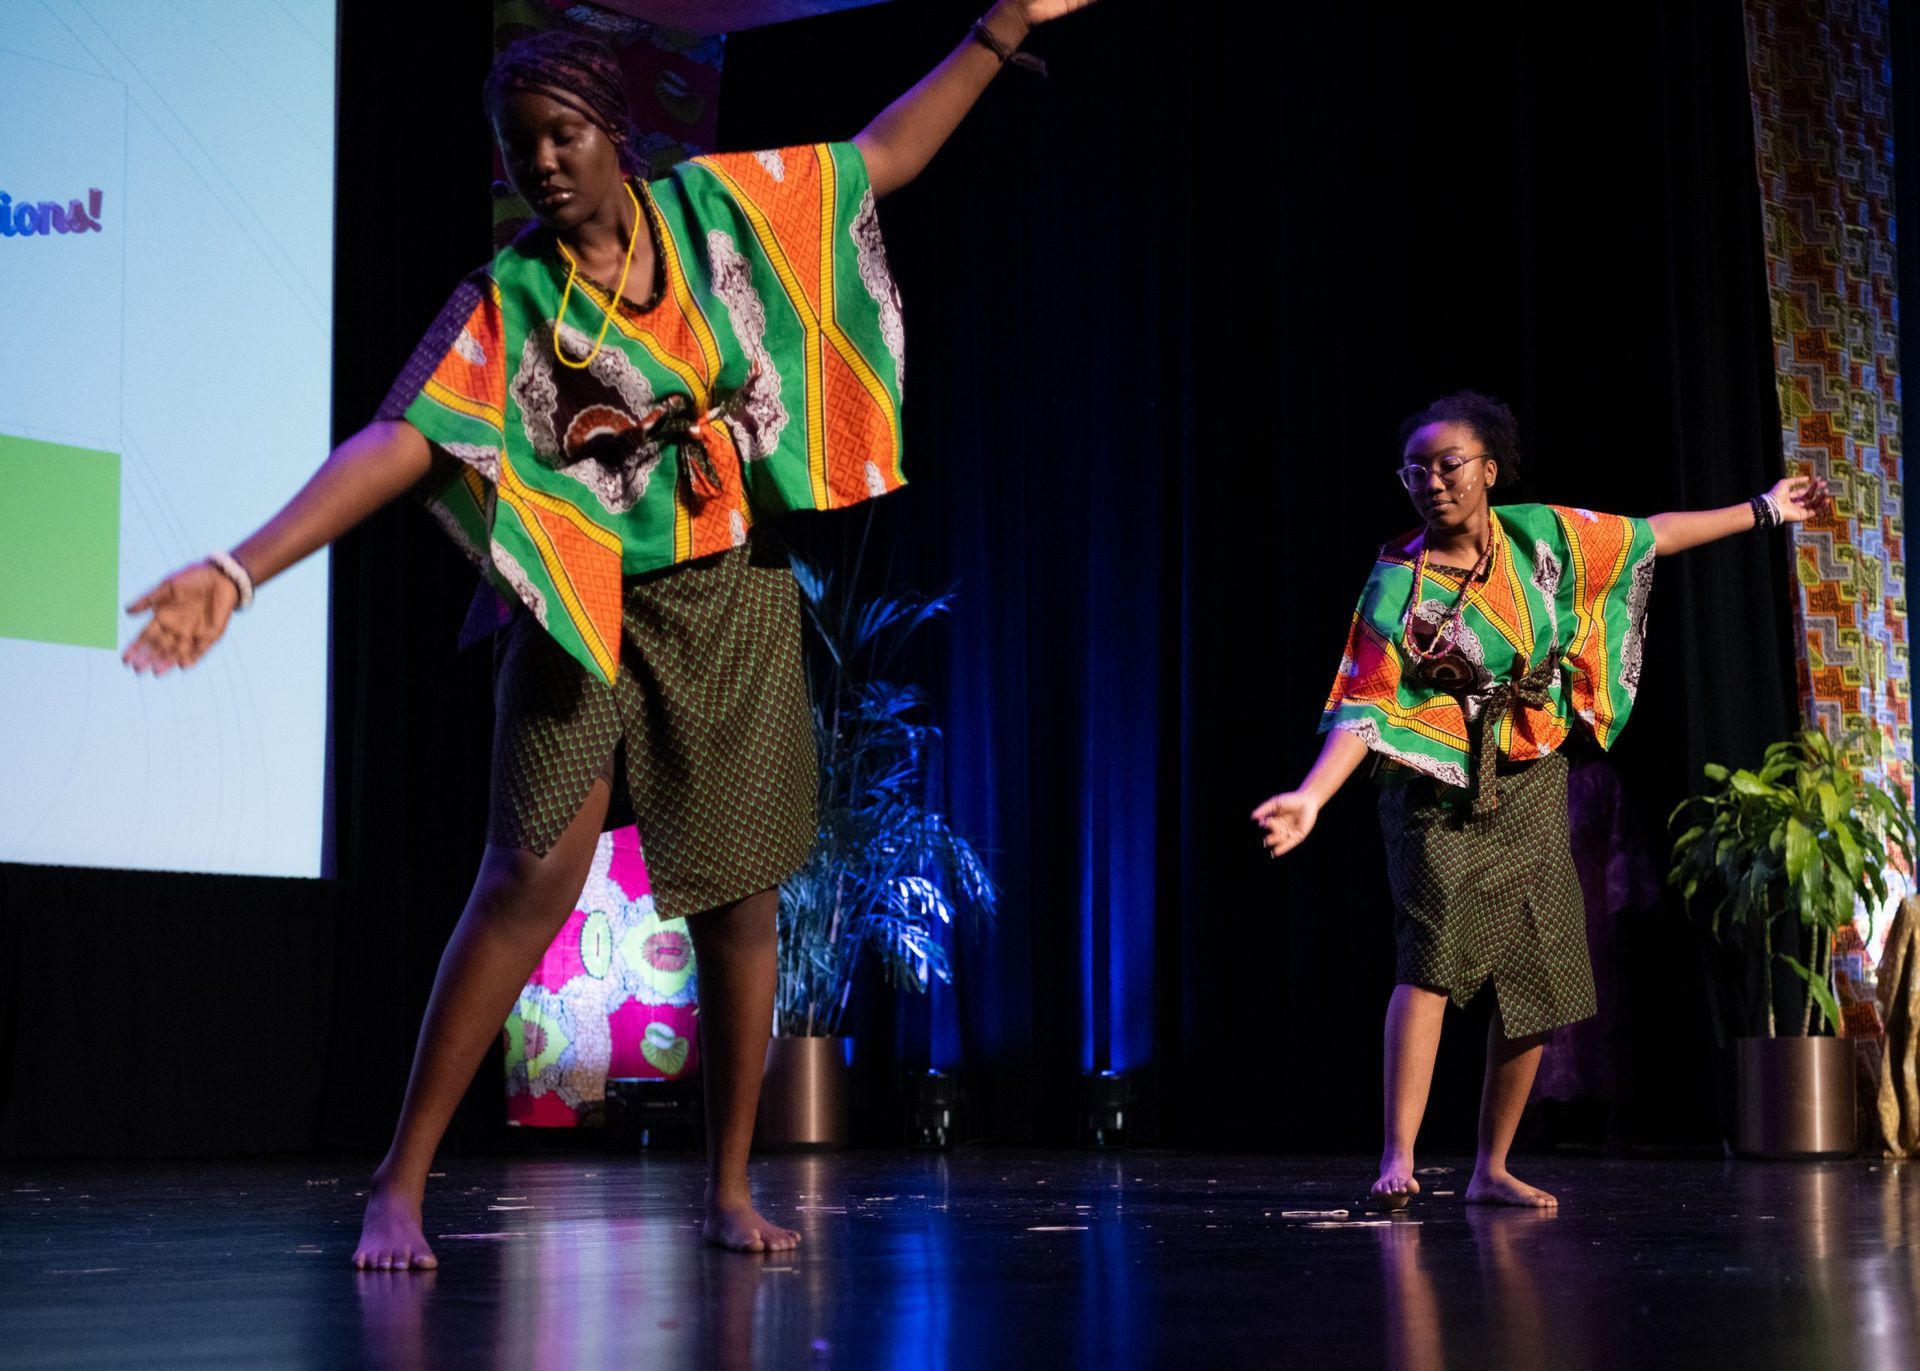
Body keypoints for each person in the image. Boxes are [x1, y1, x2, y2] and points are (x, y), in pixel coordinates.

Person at [122, 1, 1096, 1267]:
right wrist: (240, 569)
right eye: (519, 142)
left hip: (728, 590)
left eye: (565, 133)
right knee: (526, 878)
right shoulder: (511, 298)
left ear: (616, 137)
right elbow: (399, 438)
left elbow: (883, 156)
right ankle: (399, 1182)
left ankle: (729, 1188)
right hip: (577, 607)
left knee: (743, 897)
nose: (542, 161)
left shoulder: (713, 214)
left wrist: (996, 27)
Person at [1253, 391, 1828, 1208]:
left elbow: (1652, 536)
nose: (1432, 482)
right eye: (1415, 470)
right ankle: (1398, 1156)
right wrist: (1311, 797)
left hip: (1531, 775)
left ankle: (1491, 1166)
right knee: (1432, 962)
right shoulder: (1397, 582)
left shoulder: (1542, 537)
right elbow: (1368, 707)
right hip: (1434, 790)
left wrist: (1764, 510)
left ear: (1489, 468)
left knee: (1542, 973)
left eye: (1449, 465)